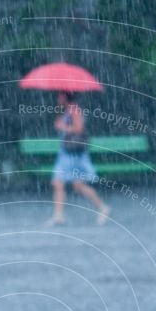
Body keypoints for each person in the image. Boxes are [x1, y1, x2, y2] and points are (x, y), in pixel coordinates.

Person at [46, 91, 110, 226]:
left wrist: (62, 126)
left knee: (74, 185)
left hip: (73, 154)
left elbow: (79, 128)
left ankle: (102, 207)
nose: (58, 98)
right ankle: (59, 215)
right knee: (63, 184)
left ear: (65, 97)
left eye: (60, 95)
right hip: (66, 153)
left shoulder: (74, 110)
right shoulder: (67, 110)